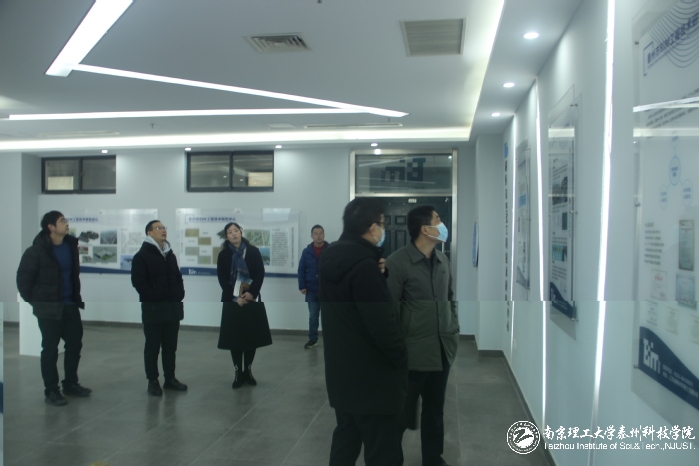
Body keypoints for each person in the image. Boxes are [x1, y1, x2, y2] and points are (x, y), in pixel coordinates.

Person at [318, 198, 407, 466]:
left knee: (345, 443)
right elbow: (383, 326)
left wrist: (378, 272)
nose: (383, 230)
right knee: (382, 452)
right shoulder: (364, 267)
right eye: (382, 224)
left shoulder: (332, 258)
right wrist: (401, 359)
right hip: (372, 382)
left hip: (342, 375)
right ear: (372, 228)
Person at [385, 206, 459, 466]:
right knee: (401, 414)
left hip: (441, 350)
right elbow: (389, 312)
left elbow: (450, 299)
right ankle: (391, 459)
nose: (443, 224)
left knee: (435, 409)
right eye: (438, 220)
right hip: (413, 354)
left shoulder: (443, 260)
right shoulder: (397, 263)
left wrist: (453, 329)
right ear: (425, 229)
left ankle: (433, 458)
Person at [16, 211, 92, 406]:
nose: (66, 224)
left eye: (66, 220)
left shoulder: (70, 246)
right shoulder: (36, 251)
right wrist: (39, 303)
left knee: (74, 344)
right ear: (50, 227)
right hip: (49, 309)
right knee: (50, 349)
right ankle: (51, 390)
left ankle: (70, 384)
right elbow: (23, 282)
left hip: (70, 306)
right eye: (62, 221)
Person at [131, 220, 188, 396]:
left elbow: (177, 277)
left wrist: (179, 294)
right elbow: (139, 282)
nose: (163, 230)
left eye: (164, 227)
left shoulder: (170, 255)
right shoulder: (142, 256)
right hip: (154, 310)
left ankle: (170, 378)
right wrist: (156, 297)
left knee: (170, 347)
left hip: (172, 309)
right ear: (149, 233)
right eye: (158, 228)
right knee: (152, 348)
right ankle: (153, 381)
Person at [216, 222, 272, 389]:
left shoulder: (253, 251)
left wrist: (252, 293)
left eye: (236, 230)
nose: (234, 234)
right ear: (227, 236)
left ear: (241, 232)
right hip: (232, 300)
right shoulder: (224, 254)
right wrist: (235, 298)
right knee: (235, 338)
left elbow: (260, 274)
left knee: (250, 338)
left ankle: (248, 370)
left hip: (250, 299)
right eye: (230, 232)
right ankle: (237, 372)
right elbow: (222, 278)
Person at [297, 224, 329, 349]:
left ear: (324, 235)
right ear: (311, 236)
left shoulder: (330, 249)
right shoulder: (307, 251)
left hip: (327, 290)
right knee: (313, 316)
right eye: (316, 233)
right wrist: (302, 285)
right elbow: (301, 269)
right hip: (311, 290)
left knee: (329, 317)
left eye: (321, 233)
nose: (318, 236)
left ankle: (331, 340)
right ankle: (313, 339)